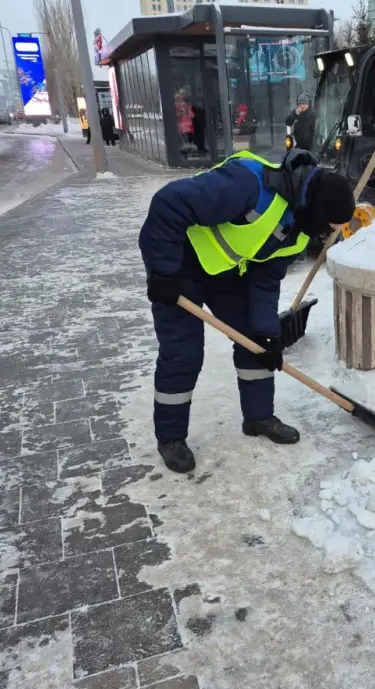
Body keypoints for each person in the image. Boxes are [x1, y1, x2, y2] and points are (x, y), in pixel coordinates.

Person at [139, 149, 356, 474]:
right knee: (183, 352)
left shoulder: (298, 230)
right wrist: (163, 272)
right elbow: (169, 204)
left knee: (254, 338)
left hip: (224, 271)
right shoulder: (249, 184)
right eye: (330, 226)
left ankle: (258, 417)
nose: (327, 235)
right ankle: (170, 438)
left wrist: (268, 333)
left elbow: (265, 279)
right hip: (179, 262)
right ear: (319, 209)